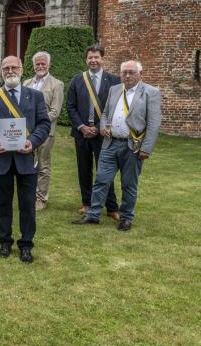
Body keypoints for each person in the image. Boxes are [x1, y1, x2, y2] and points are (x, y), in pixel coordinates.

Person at [72, 60, 161, 231]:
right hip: (110, 143)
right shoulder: (114, 89)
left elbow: (154, 123)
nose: (127, 75)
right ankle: (93, 215)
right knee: (101, 180)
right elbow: (105, 113)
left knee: (129, 184)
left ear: (139, 74)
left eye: (131, 72)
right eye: (124, 72)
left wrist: (146, 148)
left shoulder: (151, 92)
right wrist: (103, 126)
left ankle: (126, 217)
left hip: (132, 146)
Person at [0, 55, 50, 264]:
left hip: (26, 159)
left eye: (14, 67)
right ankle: (5, 241)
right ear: (2, 72)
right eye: (6, 68)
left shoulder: (34, 96)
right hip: (1, 160)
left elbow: (44, 124)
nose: (10, 71)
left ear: (21, 69)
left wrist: (33, 142)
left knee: (27, 205)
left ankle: (26, 244)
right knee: (2, 204)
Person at [67, 44, 121, 219]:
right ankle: (87, 203)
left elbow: (116, 108)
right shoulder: (77, 80)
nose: (93, 60)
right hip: (82, 133)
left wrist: (99, 127)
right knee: (84, 169)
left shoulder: (114, 81)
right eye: (90, 57)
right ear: (86, 59)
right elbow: (71, 107)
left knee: (105, 170)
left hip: (103, 133)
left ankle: (112, 207)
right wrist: (82, 127)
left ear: (102, 59)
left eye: (96, 57)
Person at [22, 51, 64, 211]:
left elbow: (55, 111)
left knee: (43, 165)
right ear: (33, 65)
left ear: (48, 65)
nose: (40, 66)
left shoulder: (56, 84)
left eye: (43, 64)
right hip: (26, 132)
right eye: (37, 64)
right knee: (27, 164)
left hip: (45, 132)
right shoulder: (26, 83)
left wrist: (37, 123)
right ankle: (28, 195)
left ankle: (41, 198)